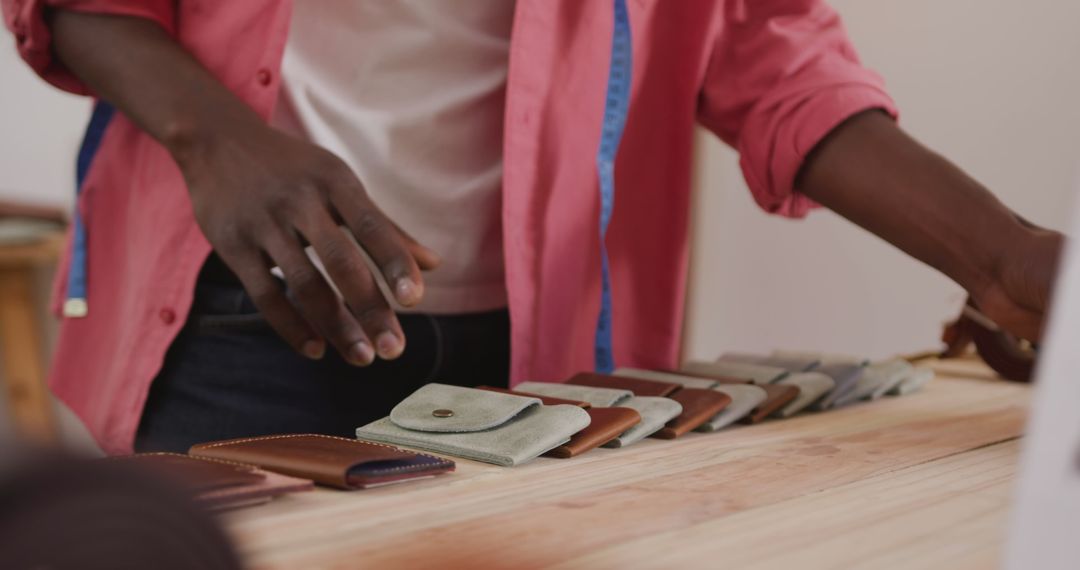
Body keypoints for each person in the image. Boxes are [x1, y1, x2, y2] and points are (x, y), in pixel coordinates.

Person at [4, 0, 1061, 454]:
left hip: (549, 356)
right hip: (248, 316)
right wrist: (216, 141)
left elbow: (765, 46)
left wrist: (1007, 257)